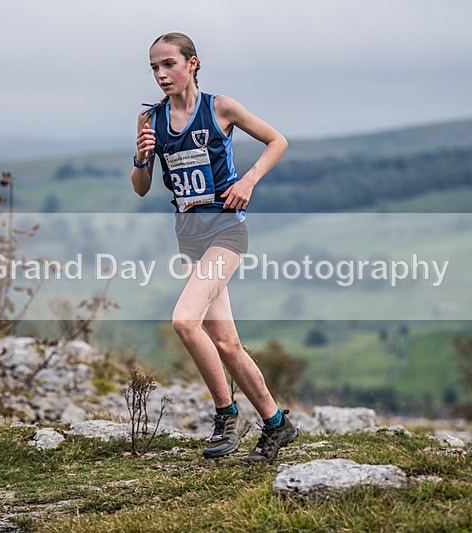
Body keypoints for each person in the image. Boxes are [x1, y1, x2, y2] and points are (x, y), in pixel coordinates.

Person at [130, 32, 297, 463]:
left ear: (193, 63)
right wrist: (141, 159)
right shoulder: (150, 119)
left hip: (226, 231)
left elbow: (277, 141)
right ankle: (277, 424)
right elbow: (141, 187)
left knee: (185, 322)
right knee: (226, 344)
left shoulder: (219, 107)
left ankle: (226, 415)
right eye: (154, 67)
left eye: (169, 64)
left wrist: (248, 181)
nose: (161, 74)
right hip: (189, 235)